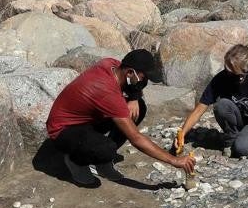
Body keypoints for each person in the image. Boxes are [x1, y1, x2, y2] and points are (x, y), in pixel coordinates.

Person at [46, 48, 196, 186]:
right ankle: (76, 160)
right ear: (130, 72)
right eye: (143, 76)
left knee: (138, 108)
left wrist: (134, 98)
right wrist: (174, 160)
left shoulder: (112, 65)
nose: (145, 81)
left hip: (87, 118)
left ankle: (102, 161)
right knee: (105, 148)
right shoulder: (107, 92)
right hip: (63, 130)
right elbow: (136, 138)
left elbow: (137, 85)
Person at [175, 45, 248, 159]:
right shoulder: (221, 78)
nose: (227, 73)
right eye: (226, 68)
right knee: (221, 105)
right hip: (238, 120)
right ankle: (232, 139)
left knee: (241, 149)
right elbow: (199, 109)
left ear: (244, 73)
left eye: (231, 72)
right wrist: (182, 133)